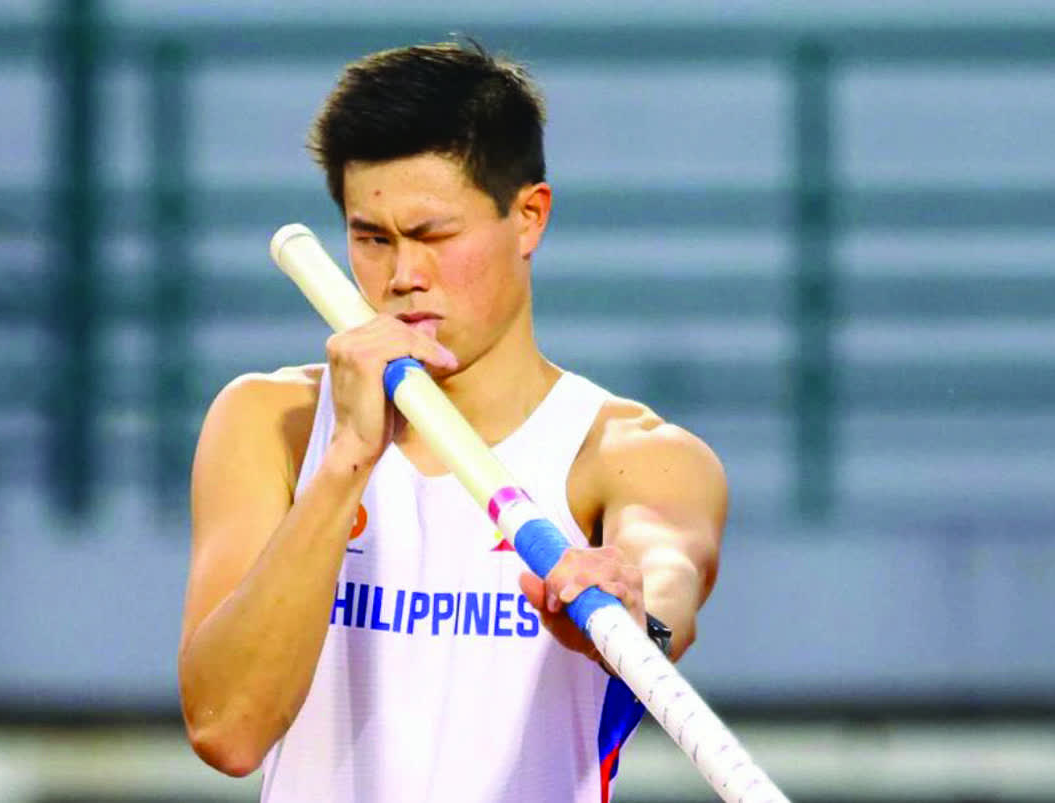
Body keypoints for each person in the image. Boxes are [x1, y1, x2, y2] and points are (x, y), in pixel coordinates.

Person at [178, 40, 727, 803]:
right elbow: (228, 729)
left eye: (434, 236)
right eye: (372, 238)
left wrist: (630, 609)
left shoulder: (632, 454)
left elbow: (664, 577)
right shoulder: (274, 424)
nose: (402, 277)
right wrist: (346, 461)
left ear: (528, 217)